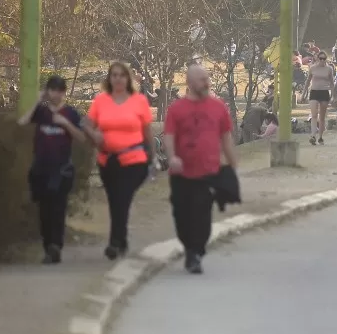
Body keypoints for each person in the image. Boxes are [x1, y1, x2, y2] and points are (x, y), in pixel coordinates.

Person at [162, 64, 239, 275]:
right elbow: (169, 136)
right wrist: (172, 157)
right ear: (189, 83)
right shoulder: (176, 109)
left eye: (207, 79)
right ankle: (190, 247)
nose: (207, 83)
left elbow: (226, 138)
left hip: (208, 171)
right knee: (181, 213)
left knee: (202, 213)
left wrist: (232, 165)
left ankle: (195, 252)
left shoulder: (218, 107)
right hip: (181, 173)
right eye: (202, 79)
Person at [84, 61, 154, 260]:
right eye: (114, 75)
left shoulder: (139, 101)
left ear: (128, 78)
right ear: (109, 78)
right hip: (108, 161)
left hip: (134, 160)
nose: (118, 79)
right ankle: (121, 240)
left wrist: (152, 156)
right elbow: (87, 124)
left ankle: (114, 243)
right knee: (115, 200)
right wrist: (94, 135)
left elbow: (147, 131)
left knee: (122, 198)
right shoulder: (101, 101)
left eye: (122, 75)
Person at [19, 75, 86, 264]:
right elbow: (22, 123)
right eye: (52, 90)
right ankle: (48, 245)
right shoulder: (42, 112)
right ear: (48, 92)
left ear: (64, 92)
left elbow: (81, 137)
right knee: (44, 210)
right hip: (41, 168)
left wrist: (65, 124)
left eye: (59, 90)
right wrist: (37, 102)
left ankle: (56, 246)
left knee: (58, 208)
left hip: (62, 170)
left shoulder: (70, 113)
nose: (56, 94)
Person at [305, 50, 334, 145]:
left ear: (326, 59)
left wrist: (333, 96)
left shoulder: (329, 69)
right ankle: (313, 135)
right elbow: (308, 81)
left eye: (324, 59)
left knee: (322, 117)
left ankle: (320, 137)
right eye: (320, 58)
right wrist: (304, 93)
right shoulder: (312, 68)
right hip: (314, 92)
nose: (322, 60)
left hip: (324, 92)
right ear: (317, 58)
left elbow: (332, 83)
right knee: (314, 114)